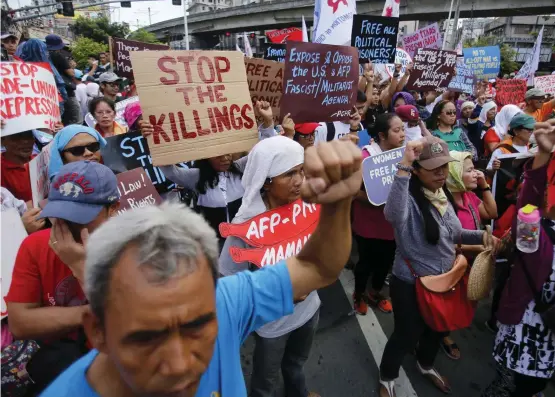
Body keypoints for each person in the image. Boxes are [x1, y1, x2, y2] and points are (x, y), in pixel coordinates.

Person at [39, 139, 363, 397]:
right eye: (147, 337)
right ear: (97, 331)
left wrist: (337, 204)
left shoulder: (226, 301)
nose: (180, 365)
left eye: (198, 325)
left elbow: (317, 266)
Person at [378, 136, 489, 397]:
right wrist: (404, 164)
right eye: (434, 168)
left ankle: (425, 364)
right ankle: (387, 376)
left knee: (438, 328)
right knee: (406, 334)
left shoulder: (442, 194)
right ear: (417, 170)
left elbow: (457, 233)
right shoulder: (408, 198)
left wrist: (485, 237)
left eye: (444, 166)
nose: (441, 173)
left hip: (445, 280)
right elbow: (392, 215)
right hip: (410, 282)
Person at [5, 161, 121, 393]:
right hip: (62, 363)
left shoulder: (132, 247)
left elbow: (126, 325)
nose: (69, 226)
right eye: (61, 215)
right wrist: (91, 312)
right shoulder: (35, 246)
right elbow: (19, 323)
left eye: (82, 216)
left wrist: (81, 267)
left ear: (113, 210)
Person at [219, 135, 321, 397]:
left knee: (296, 365)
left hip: (310, 311)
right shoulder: (246, 227)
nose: (299, 181)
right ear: (266, 181)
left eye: (301, 171)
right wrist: (275, 293)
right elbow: (230, 283)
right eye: (289, 174)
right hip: (272, 326)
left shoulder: (307, 206)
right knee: (265, 383)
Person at [482, 122, 555, 397]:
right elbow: (526, 203)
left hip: (553, 341)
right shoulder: (534, 233)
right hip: (525, 333)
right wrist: (543, 157)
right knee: (513, 387)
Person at [140, 101, 277, 238]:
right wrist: (153, 139)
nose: (225, 158)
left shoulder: (241, 167)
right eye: (218, 155)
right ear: (206, 157)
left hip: (248, 239)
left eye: (228, 153)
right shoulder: (195, 177)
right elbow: (170, 171)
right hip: (216, 244)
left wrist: (268, 120)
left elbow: (266, 149)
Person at [442, 150, 498, 361]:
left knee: (460, 304)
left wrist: (484, 185)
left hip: (469, 265)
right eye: (470, 170)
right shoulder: (444, 203)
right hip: (450, 266)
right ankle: (442, 335)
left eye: (475, 169)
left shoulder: (469, 196)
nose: (476, 173)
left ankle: (444, 330)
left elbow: (492, 213)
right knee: (445, 305)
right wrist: (478, 248)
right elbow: (446, 242)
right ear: (455, 173)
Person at [352, 113, 406, 315]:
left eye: (403, 129)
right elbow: (352, 191)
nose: (402, 134)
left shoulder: (404, 155)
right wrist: (375, 201)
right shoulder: (365, 158)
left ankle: (375, 293)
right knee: (365, 263)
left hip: (392, 225)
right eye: (396, 130)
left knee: (385, 262)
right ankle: (358, 295)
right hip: (368, 224)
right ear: (382, 135)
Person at [16, 38, 68, 112]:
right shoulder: (47, 67)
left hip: (27, 109)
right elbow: (61, 87)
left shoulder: (17, 69)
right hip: (49, 108)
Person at [46, 34, 81, 125]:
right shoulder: (58, 55)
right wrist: (72, 66)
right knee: (76, 121)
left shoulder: (44, 56)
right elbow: (71, 73)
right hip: (66, 92)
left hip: (52, 93)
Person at [1, 130, 35, 202]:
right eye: (17, 137)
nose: (26, 141)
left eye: (29, 135)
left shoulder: (41, 160)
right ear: (3, 140)